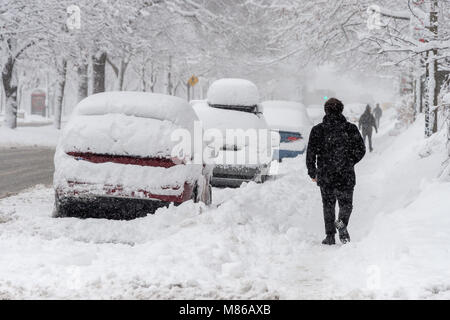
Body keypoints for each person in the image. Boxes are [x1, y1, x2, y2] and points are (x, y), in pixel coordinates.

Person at [306, 98, 366, 245]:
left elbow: (311, 153)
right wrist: (350, 161)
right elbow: (361, 149)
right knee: (346, 204)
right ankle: (341, 223)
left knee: (328, 205)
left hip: (326, 175)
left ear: (326, 111)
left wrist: (312, 172)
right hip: (345, 175)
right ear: (341, 110)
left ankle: (330, 236)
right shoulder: (350, 129)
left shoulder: (318, 130)